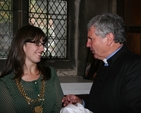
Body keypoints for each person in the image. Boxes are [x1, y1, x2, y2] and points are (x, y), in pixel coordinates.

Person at [62, 13, 141, 113]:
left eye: (91, 39)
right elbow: (103, 103)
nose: (87, 44)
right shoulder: (105, 63)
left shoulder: (135, 66)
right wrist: (82, 103)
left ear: (109, 39)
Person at [0, 24, 64, 113]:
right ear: (23, 45)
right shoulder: (6, 83)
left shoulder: (50, 74)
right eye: (37, 43)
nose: (42, 48)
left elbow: (59, 107)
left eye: (43, 44)